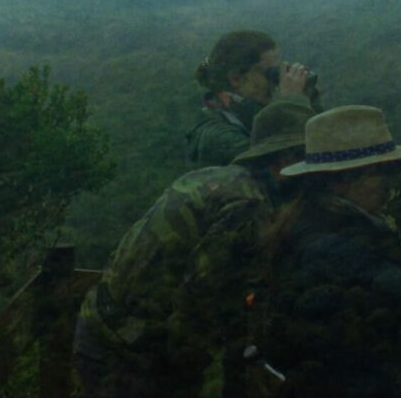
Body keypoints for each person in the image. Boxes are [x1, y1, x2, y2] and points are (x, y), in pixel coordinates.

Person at [73, 97, 316, 398]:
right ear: (284, 161)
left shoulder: (222, 180)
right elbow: (200, 308)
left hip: (108, 333)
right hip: (125, 354)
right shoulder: (249, 208)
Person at [254, 106, 401, 398]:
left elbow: (397, 276)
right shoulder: (330, 250)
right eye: (383, 171)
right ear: (344, 179)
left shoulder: (312, 224)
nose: (391, 182)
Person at [186, 30, 316, 166]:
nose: (277, 80)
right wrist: (292, 105)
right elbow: (283, 169)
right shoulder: (216, 136)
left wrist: (309, 97)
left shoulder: (250, 115)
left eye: (278, 70)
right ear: (236, 78)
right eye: (270, 73)